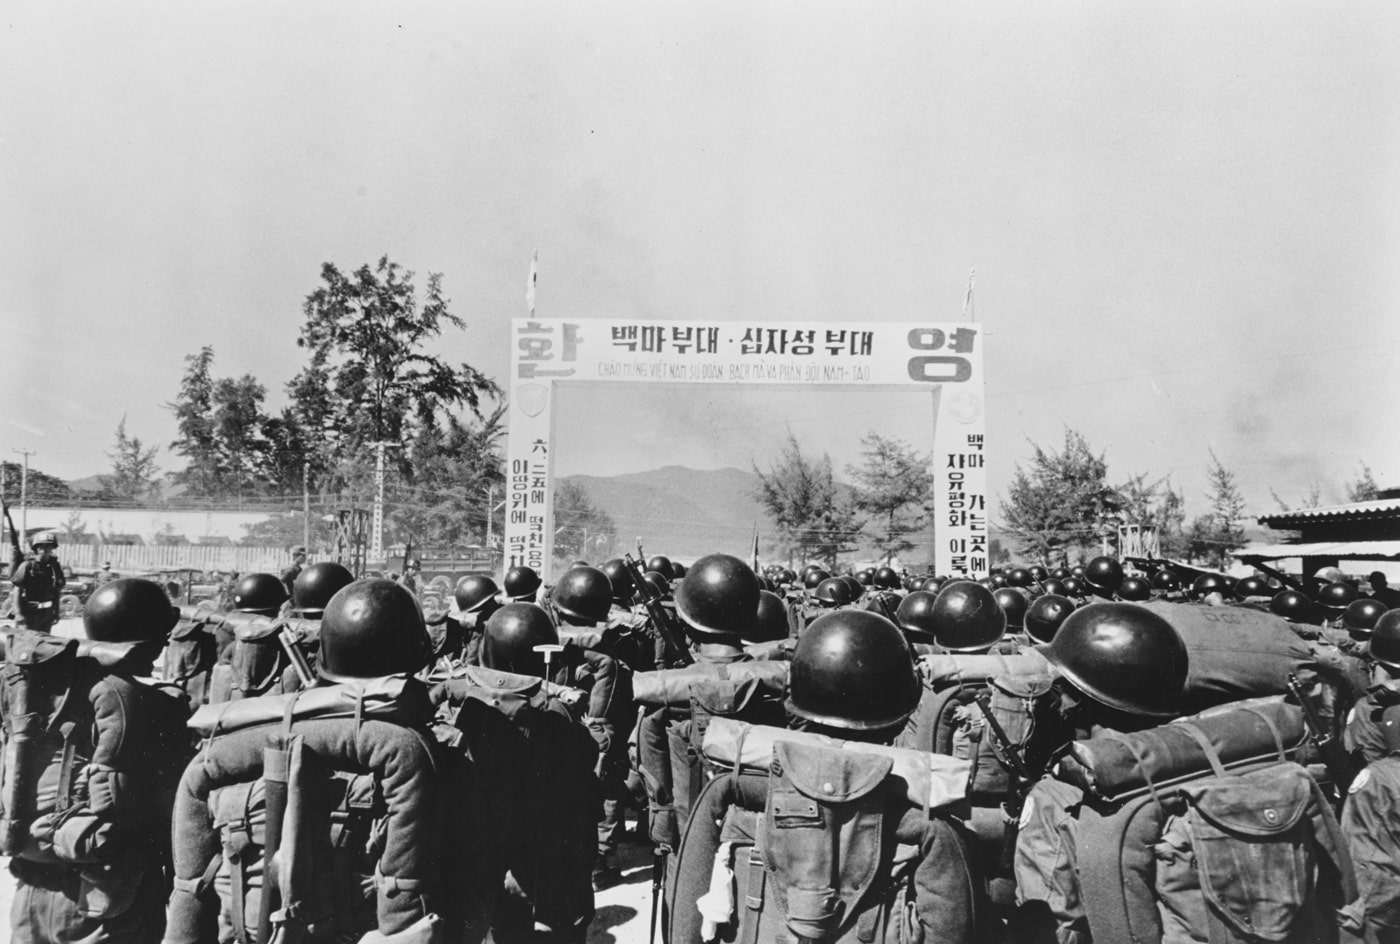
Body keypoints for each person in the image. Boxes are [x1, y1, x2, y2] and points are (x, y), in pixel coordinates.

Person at [6, 577, 190, 944]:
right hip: (111, 890)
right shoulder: (147, 701)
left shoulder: (36, 685)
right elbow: (172, 806)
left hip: (32, 882)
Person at [8, 532, 65, 632]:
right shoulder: (27, 566)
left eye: (48, 545)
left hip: (47, 613)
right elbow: (17, 589)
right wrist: (18, 613)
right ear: (35, 548)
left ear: (52, 548)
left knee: (43, 644)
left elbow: (56, 590)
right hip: (29, 613)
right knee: (26, 644)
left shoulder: (54, 567)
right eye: (41, 546)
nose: (45, 548)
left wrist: (56, 612)